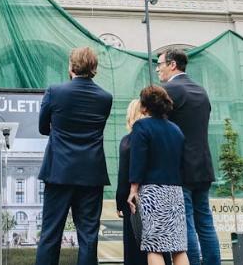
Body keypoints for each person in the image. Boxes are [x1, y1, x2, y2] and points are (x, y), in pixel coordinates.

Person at [36, 47, 112, 265]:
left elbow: (43, 128)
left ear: (70, 66)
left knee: (50, 234)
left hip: (59, 171)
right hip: (91, 173)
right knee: (88, 236)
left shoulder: (55, 91)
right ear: (95, 68)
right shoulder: (105, 98)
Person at [156, 49, 220, 265]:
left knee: (185, 224)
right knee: (205, 222)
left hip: (179, 168)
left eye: (160, 64)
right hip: (203, 166)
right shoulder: (202, 91)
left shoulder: (168, 90)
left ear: (172, 65)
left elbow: (159, 129)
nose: (158, 68)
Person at [127, 86, 188, 265]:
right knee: (178, 246)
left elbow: (138, 160)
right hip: (175, 191)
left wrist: (133, 189)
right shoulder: (176, 130)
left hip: (153, 192)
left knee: (154, 247)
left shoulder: (141, 126)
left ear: (145, 107)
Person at [116, 100, 147, 265]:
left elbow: (123, 176)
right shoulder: (155, 138)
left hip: (133, 200)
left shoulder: (127, 142)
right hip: (156, 197)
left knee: (133, 245)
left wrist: (120, 202)